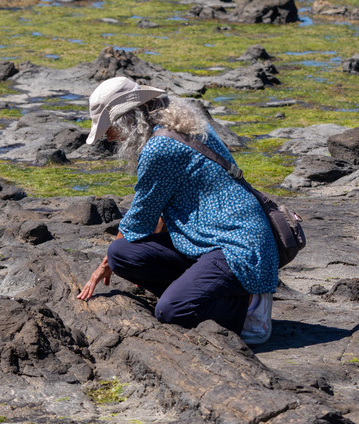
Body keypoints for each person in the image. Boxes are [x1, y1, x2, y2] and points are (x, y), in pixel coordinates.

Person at [78, 77, 278, 343]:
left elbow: (139, 219)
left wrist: (101, 267)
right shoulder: (180, 125)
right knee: (121, 253)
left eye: (110, 128)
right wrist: (116, 261)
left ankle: (251, 310)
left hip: (236, 245)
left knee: (172, 311)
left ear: (128, 119)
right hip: (204, 238)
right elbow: (159, 211)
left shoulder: (160, 148)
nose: (108, 137)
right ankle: (202, 291)